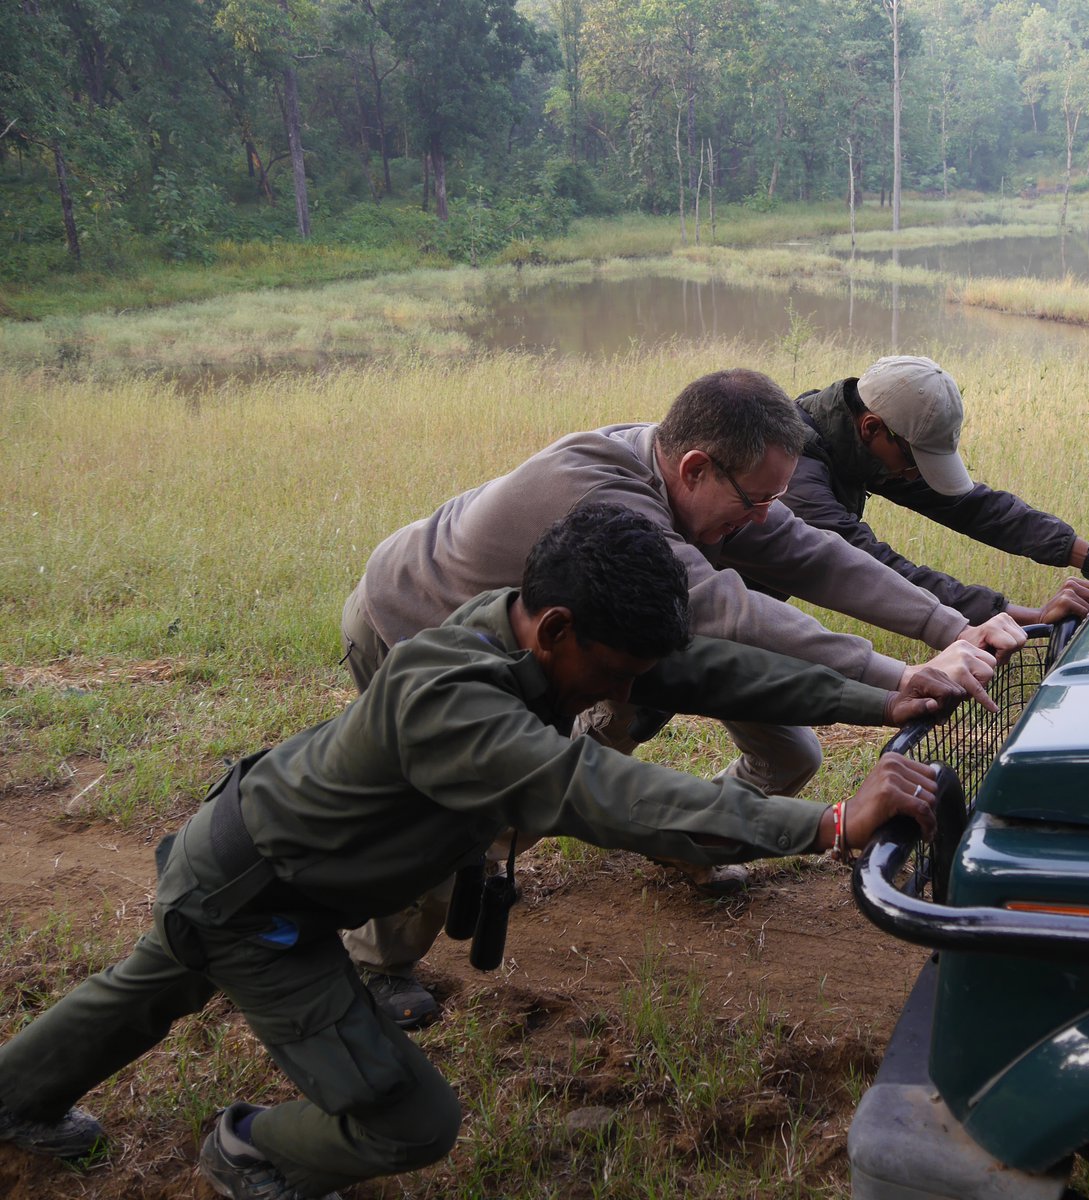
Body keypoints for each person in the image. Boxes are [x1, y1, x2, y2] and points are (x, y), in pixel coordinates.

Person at [0, 504, 952, 1200]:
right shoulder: (446, 697)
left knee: (148, 985)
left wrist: (881, 696)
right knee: (410, 1121)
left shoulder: (526, 624)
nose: (626, 692)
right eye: (617, 675)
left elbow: (702, 666)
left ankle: (13, 1096)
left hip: (246, 855)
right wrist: (822, 824)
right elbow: (599, 793)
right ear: (559, 630)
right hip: (256, 904)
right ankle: (251, 1149)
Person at [339, 367, 1024, 1024]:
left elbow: (810, 553)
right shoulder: (604, 496)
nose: (764, 519)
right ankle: (375, 963)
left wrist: (951, 628)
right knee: (461, 806)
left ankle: (681, 842)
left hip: (584, 638)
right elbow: (725, 611)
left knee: (788, 752)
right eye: (754, 501)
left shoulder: (698, 472)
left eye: (773, 501)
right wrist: (898, 676)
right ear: (696, 468)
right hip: (418, 619)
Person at [786, 355, 1089, 625]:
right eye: (914, 461)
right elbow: (872, 568)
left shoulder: (851, 438)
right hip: (735, 616)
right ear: (872, 428)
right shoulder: (793, 469)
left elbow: (971, 507)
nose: (913, 476)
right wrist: (1021, 616)